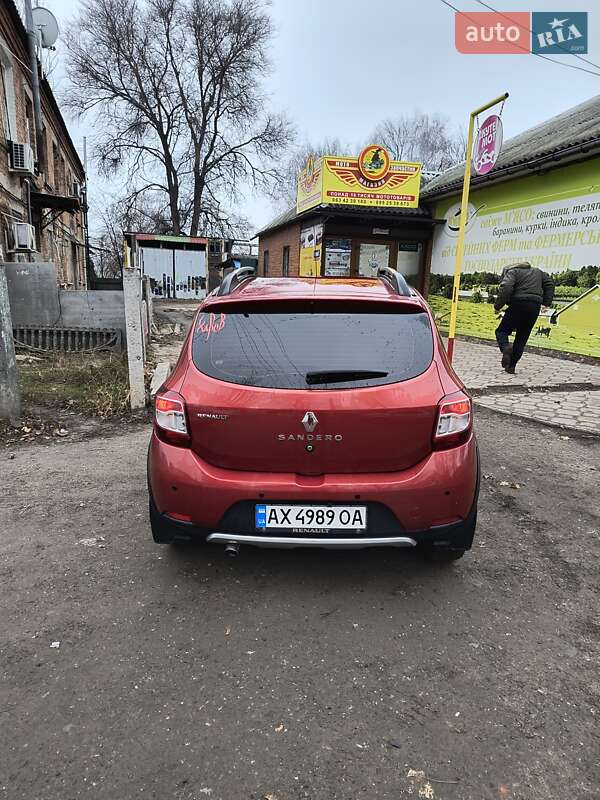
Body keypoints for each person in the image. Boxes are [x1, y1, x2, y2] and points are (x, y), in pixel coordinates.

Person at [494, 262, 555, 374]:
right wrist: (546, 302)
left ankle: (506, 348)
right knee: (521, 338)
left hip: (518, 304)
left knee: (501, 331)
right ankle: (511, 367)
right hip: (534, 307)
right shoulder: (538, 272)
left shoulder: (512, 272)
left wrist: (497, 306)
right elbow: (550, 284)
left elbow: (506, 287)